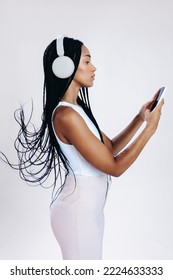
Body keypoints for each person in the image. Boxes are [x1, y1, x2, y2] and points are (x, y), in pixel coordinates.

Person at [1, 35, 164, 260]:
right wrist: (150, 130)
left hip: (89, 211)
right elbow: (114, 167)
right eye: (87, 61)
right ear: (64, 66)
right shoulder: (66, 115)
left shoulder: (76, 109)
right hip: (77, 214)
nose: (93, 67)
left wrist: (140, 119)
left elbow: (110, 149)